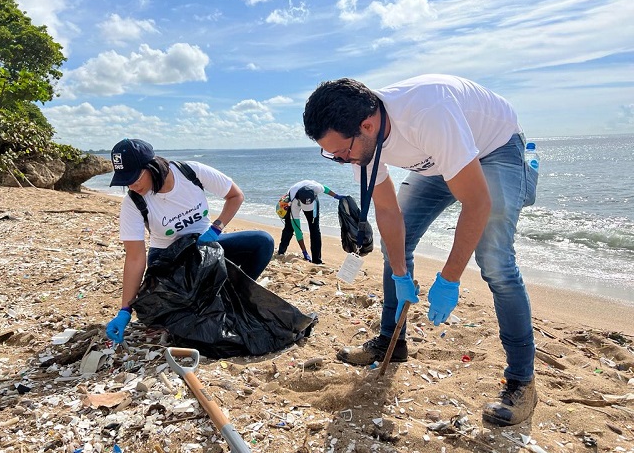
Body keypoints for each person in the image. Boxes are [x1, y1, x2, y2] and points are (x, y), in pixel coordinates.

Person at [303, 74, 539, 427]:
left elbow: (476, 203)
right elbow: (387, 211)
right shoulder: (360, 142)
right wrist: (399, 273)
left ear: (367, 125)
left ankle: (522, 381)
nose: (340, 159)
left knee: (495, 262)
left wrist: (449, 279)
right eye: (330, 154)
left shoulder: (428, 112)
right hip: (434, 163)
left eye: (341, 152)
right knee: (394, 246)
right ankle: (390, 342)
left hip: (493, 148)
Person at [105, 138, 274, 345]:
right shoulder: (133, 202)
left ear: (152, 166)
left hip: (206, 246)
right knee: (179, 317)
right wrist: (125, 310)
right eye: (125, 180)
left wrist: (216, 228)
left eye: (134, 177)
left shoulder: (190, 172)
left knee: (262, 242)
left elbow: (235, 195)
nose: (131, 185)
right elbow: (134, 258)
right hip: (170, 261)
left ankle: (236, 296)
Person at [277, 180, 344, 264]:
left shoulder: (316, 188)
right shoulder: (294, 204)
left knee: (314, 229)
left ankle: (316, 260)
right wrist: (304, 252)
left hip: (312, 202)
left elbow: (326, 189)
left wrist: (336, 196)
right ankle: (281, 251)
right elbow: (298, 231)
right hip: (294, 197)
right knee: (289, 227)